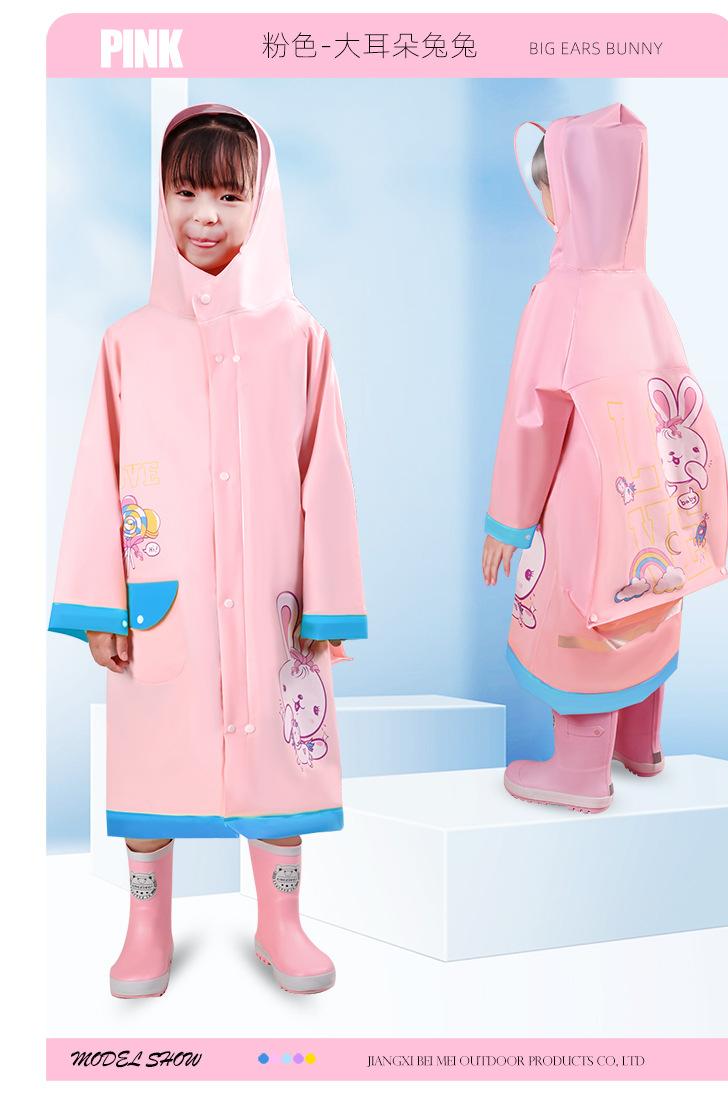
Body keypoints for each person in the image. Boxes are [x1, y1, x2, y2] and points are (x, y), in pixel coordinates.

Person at [49, 104, 367, 998]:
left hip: (275, 606)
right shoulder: (129, 342)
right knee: (153, 753)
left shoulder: (299, 337)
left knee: (281, 759)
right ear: (162, 197)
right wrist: (100, 604)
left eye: (229, 195)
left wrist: (327, 601)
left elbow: (327, 475)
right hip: (163, 603)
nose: (205, 215)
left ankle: (282, 921)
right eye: (186, 191)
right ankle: (146, 928)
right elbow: (98, 474)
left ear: (262, 202)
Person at [482, 103, 728, 813]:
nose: (545, 200)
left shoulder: (560, 297)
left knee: (581, 615)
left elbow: (533, 418)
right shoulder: (642, 290)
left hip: (585, 501)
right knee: (645, 603)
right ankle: (640, 744)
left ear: (568, 194)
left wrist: (507, 520)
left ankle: (580, 771)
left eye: (549, 184)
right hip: (654, 494)